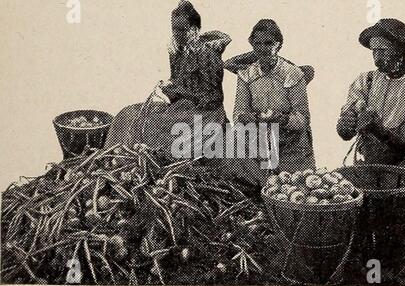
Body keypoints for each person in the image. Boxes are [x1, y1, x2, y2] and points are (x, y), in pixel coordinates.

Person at [337, 18, 405, 211]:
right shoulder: (366, 80)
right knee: (341, 184)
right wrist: (344, 125)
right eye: (373, 51)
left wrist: (382, 132)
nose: (376, 58)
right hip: (371, 163)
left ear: (400, 50)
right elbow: (345, 133)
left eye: (382, 50)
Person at [105, 1, 231, 153]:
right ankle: (112, 157)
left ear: (194, 29)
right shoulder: (177, 51)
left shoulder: (208, 55)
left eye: (181, 30)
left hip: (206, 115)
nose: (177, 34)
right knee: (127, 114)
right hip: (181, 107)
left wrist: (180, 91)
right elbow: (177, 84)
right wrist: (171, 89)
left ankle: (141, 160)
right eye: (174, 29)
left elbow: (214, 98)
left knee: (151, 124)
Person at [226, 19, 316, 185]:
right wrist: (248, 117)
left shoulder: (293, 74)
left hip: (292, 145)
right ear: (252, 45)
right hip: (258, 141)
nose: (262, 48)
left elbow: (303, 119)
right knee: (254, 189)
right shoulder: (246, 74)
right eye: (257, 43)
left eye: (268, 43)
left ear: (279, 45)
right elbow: (238, 113)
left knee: (295, 189)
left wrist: (281, 118)